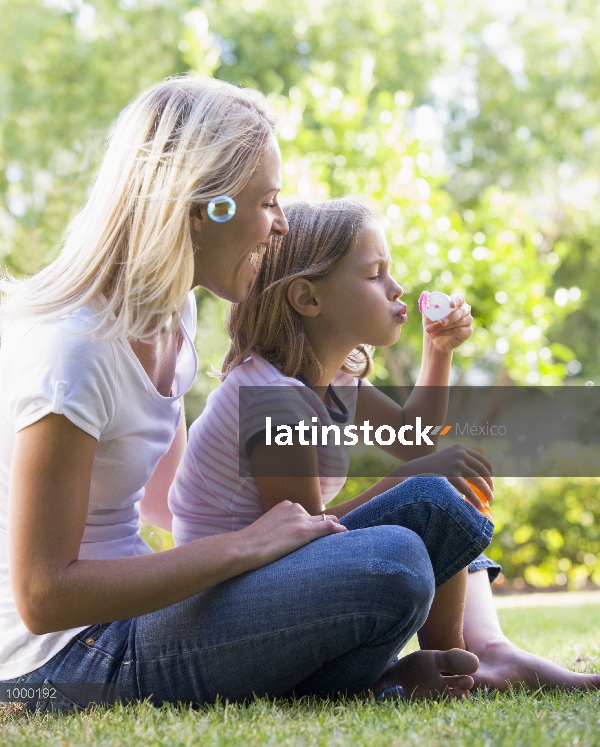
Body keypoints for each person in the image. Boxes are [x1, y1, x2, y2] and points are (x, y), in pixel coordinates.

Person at [0, 76, 493, 711]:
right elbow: (43, 598)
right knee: (393, 562)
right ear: (205, 208)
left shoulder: (169, 321)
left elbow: (166, 501)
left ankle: (415, 669)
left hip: (144, 620)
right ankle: (376, 681)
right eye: (267, 202)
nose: (280, 227)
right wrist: (247, 545)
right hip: (63, 663)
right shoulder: (76, 351)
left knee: (426, 503)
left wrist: (273, 575)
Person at [171, 195, 600, 694]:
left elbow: (413, 440)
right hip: (236, 605)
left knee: (438, 499)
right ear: (308, 298)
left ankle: (484, 652)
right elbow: (305, 535)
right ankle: (460, 668)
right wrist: (408, 487)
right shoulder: (271, 399)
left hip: (274, 579)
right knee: (429, 499)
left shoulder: (336, 380)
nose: (397, 289)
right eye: (375, 275)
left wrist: (437, 352)